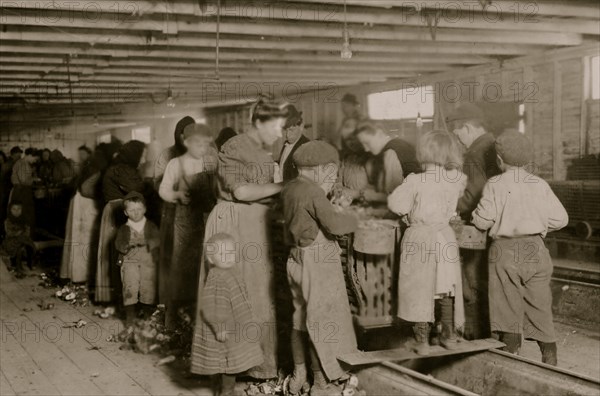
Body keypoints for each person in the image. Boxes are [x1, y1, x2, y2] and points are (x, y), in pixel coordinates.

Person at [192, 98, 288, 380]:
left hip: (255, 224)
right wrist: (287, 185)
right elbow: (242, 192)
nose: (279, 133)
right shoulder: (234, 146)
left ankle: (258, 365)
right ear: (259, 123)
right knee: (234, 292)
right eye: (276, 127)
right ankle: (230, 367)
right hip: (233, 223)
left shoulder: (266, 149)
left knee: (259, 294)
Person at [472, 130, 568, 366]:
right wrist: (538, 226)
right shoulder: (539, 183)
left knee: (506, 308)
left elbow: (483, 221)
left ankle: (511, 357)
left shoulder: (495, 184)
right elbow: (561, 219)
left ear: (499, 159)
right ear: (527, 160)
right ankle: (550, 357)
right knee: (540, 306)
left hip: (505, 251)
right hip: (536, 249)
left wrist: (476, 216)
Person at [281, 141, 358, 395]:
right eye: (331, 173)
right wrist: (352, 217)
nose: (332, 178)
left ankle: (298, 375)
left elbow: (308, 216)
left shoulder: (290, 187)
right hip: (317, 262)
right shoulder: (313, 192)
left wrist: (330, 201)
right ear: (323, 169)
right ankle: (321, 384)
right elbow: (334, 226)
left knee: (299, 320)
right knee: (320, 323)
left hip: (296, 258)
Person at [387, 130, 467, 355]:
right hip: (444, 238)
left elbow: (396, 205)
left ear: (422, 152)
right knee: (445, 288)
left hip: (421, 238)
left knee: (419, 289)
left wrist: (408, 213)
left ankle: (420, 341)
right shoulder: (455, 180)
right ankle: (448, 336)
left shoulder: (415, 180)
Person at [446, 103, 501, 340]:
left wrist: (448, 204)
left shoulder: (474, 154)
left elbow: (472, 195)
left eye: (458, 135)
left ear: (467, 128)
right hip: (497, 228)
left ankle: (476, 335)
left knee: (473, 282)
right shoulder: (495, 146)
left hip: (478, 230)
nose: (458, 140)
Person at [159, 123, 218, 328]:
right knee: (182, 270)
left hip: (208, 219)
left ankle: (203, 319)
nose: (201, 148)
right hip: (185, 222)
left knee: (207, 267)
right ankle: (176, 320)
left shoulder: (211, 162)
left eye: (204, 144)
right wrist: (176, 195)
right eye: (197, 144)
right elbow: (163, 190)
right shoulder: (175, 164)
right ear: (186, 143)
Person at [192, 233, 263, 396]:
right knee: (228, 361)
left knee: (231, 360)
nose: (228, 257)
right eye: (222, 254)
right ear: (211, 259)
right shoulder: (216, 277)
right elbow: (210, 306)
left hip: (235, 323)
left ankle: (222, 390)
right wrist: (219, 327)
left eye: (230, 253)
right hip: (224, 326)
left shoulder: (232, 271)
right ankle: (226, 391)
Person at [96, 140, 147, 303]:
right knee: (121, 253)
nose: (144, 159)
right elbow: (138, 189)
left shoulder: (119, 167)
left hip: (115, 209)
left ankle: (117, 293)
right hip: (118, 210)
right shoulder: (122, 170)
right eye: (143, 155)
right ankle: (120, 295)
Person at [154, 116, 195, 306]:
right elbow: (158, 185)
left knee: (191, 255)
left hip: (194, 215)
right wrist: (176, 193)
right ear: (177, 135)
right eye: (182, 133)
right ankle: (169, 300)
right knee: (171, 256)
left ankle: (190, 300)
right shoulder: (166, 155)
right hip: (171, 212)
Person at [60, 146, 111, 283]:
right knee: (84, 240)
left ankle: (75, 274)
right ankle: (81, 275)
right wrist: (102, 197)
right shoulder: (98, 169)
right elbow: (86, 189)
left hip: (80, 203)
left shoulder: (90, 165)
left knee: (77, 240)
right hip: (85, 205)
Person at [114, 192, 160, 328]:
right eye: (131, 210)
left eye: (139, 209)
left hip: (148, 261)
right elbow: (119, 244)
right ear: (125, 213)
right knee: (130, 286)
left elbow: (158, 240)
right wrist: (126, 245)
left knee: (148, 287)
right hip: (130, 261)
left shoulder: (150, 226)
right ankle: (130, 318)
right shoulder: (124, 228)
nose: (136, 213)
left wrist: (149, 241)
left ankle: (146, 317)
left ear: (145, 209)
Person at [352, 120, 420, 203]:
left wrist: (363, 194)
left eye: (367, 143)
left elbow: (394, 198)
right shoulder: (399, 144)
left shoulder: (390, 153)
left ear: (379, 133)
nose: (366, 149)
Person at [0, 201, 35, 278]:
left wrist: (21, 234)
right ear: (10, 210)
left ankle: (29, 263)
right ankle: (18, 267)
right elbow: (9, 233)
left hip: (23, 239)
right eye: (14, 209)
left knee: (28, 246)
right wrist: (19, 232)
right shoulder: (8, 221)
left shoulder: (25, 220)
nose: (16, 211)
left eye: (19, 209)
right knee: (18, 247)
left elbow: (27, 232)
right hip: (11, 241)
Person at [277, 105, 310, 183]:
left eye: (291, 130)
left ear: (301, 127)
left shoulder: (306, 147)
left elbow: (305, 180)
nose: (287, 135)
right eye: (285, 130)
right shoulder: (286, 144)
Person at [10, 148, 40, 230]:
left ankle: (25, 234)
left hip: (22, 191)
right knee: (24, 214)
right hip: (21, 192)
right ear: (30, 155)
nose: (35, 161)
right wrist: (34, 179)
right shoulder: (22, 164)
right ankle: (24, 236)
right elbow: (24, 181)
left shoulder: (24, 163)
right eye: (35, 159)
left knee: (25, 214)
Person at [337, 93, 363, 157]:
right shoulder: (345, 120)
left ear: (353, 106)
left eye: (345, 106)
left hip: (357, 154)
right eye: (342, 106)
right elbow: (340, 135)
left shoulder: (359, 119)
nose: (343, 109)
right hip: (346, 153)